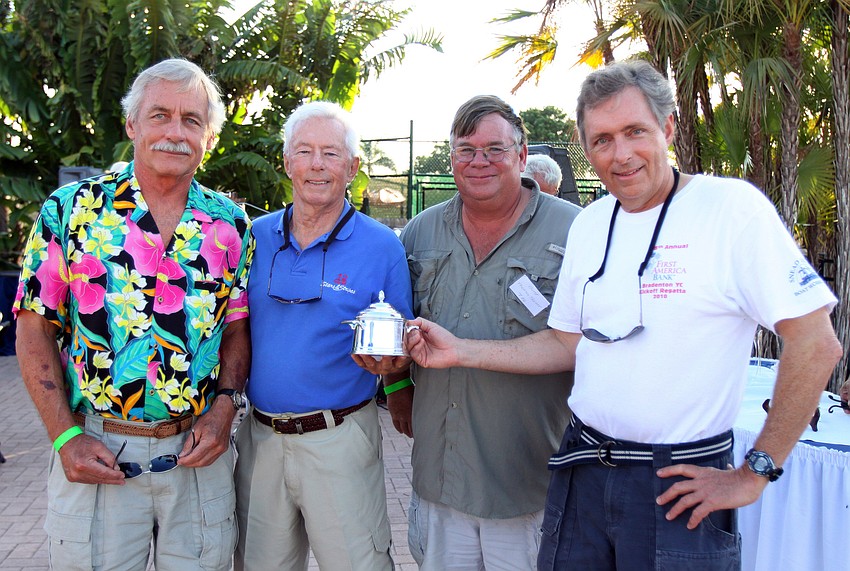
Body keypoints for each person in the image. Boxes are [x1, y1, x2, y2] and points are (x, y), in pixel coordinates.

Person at [405, 60, 842, 570]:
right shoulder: (590, 225)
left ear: (668, 128)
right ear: (585, 148)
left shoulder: (730, 211)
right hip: (583, 467)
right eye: (602, 139)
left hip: (676, 481)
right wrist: (461, 351)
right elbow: (565, 343)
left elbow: (816, 342)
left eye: (635, 131)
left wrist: (755, 471)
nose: (621, 153)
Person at [14, 58, 253, 570]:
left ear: (208, 137)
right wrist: (64, 436)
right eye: (160, 114)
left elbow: (236, 328)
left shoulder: (230, 225)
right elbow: (32, 327)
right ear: (131, 124)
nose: (174, 132)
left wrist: (225, 408)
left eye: (192, 120)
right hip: (95, 451)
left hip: (197, 455)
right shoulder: (70, 211)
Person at [390, 95, 581, 570]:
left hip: (529, 483)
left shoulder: (575, 232)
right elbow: (396, 328)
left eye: (494, 149)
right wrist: (395, 386)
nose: (479, 162)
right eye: (466, 150)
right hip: (439, 477)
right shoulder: (420, 233)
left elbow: (588, 346)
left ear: (521, 154)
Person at [234, 101, 412, 571]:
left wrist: (393, 371)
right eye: (305, 151)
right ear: (287, 161)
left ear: (353, 167)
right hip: (260, 439)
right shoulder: (254, 238)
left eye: (331, 154)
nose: (317, 164)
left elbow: (399, 342)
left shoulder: (383, 246)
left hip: (341, 439)